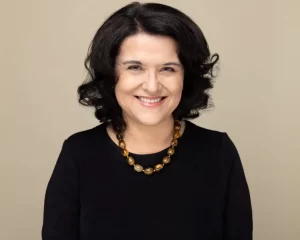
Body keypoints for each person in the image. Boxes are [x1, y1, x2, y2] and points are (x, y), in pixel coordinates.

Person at [42, 2, 252, 239]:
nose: (152, 86)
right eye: (135, 67)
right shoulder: (78, 155)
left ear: (186, 76)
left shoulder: (219, 153)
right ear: (112, 75)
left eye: (168, 69)